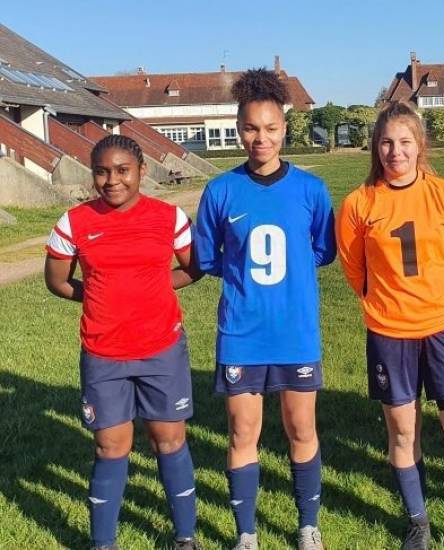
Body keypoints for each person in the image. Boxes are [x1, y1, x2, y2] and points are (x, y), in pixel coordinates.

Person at [335, 100, 444, 550]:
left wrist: (437, 298)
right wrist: (385, 303)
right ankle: (418, 522)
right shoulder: (358, 203)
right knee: (403, 431)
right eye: (386, 142)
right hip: (389, 334)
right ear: (375, 147)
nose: (395, 151)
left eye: (405, 142)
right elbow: (353, 269)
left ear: (420, 145)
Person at [195, 68, 336, 550]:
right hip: (242, 333)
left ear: (285, 128)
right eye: (251, 128)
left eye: (271, 128)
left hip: (296, 333)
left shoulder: (311, 190)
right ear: (238, 129)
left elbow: (321, 249)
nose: (261, 138)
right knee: (243, 431)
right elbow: (210, 257)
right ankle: (247, 534)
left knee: (302, 427)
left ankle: (307, 526)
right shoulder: (220, 192)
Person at [44, 135, 201, 550]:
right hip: (104, 354)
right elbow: (57, 282)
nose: (111, 180)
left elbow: (194, 268)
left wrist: (153, 291)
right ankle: (103, 542)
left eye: (122, 171)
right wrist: (99, 294)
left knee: (169, 441)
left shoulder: (169, 218)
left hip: (161, 350)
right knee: (110, 446)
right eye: (101, 171)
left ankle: (185, 537)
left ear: (141, 171)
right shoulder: (74, 222)